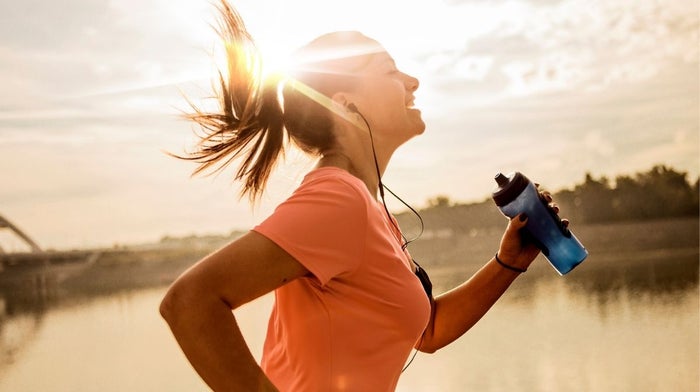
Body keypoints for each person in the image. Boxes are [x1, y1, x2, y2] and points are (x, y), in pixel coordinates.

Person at [160, 1, 563, 391]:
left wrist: (507, 263)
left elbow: (429, 330)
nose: (412, 81)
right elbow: (190, 302)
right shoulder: (338, 200)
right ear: (347, 105)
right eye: (389, 70)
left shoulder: (368, 208)